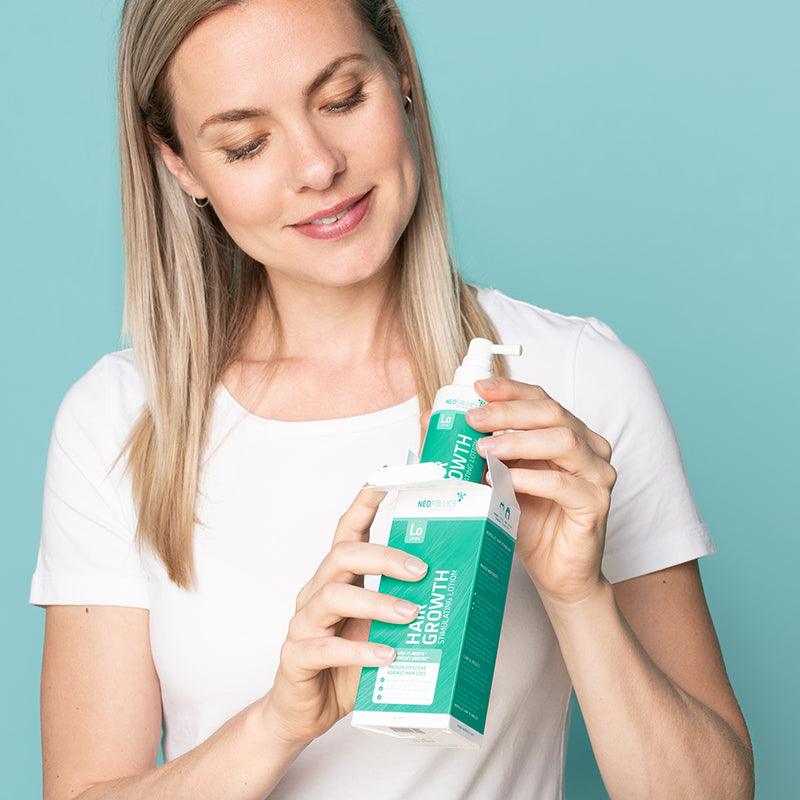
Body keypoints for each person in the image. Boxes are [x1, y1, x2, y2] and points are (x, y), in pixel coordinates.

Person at [29, 1, 755, 798]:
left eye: (342, 99)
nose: (316, 167)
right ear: (180, 167)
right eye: (246, 144)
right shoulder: (123, 421)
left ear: (401, 72)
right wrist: (278, 723)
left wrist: (579, 599)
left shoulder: (572, 385)